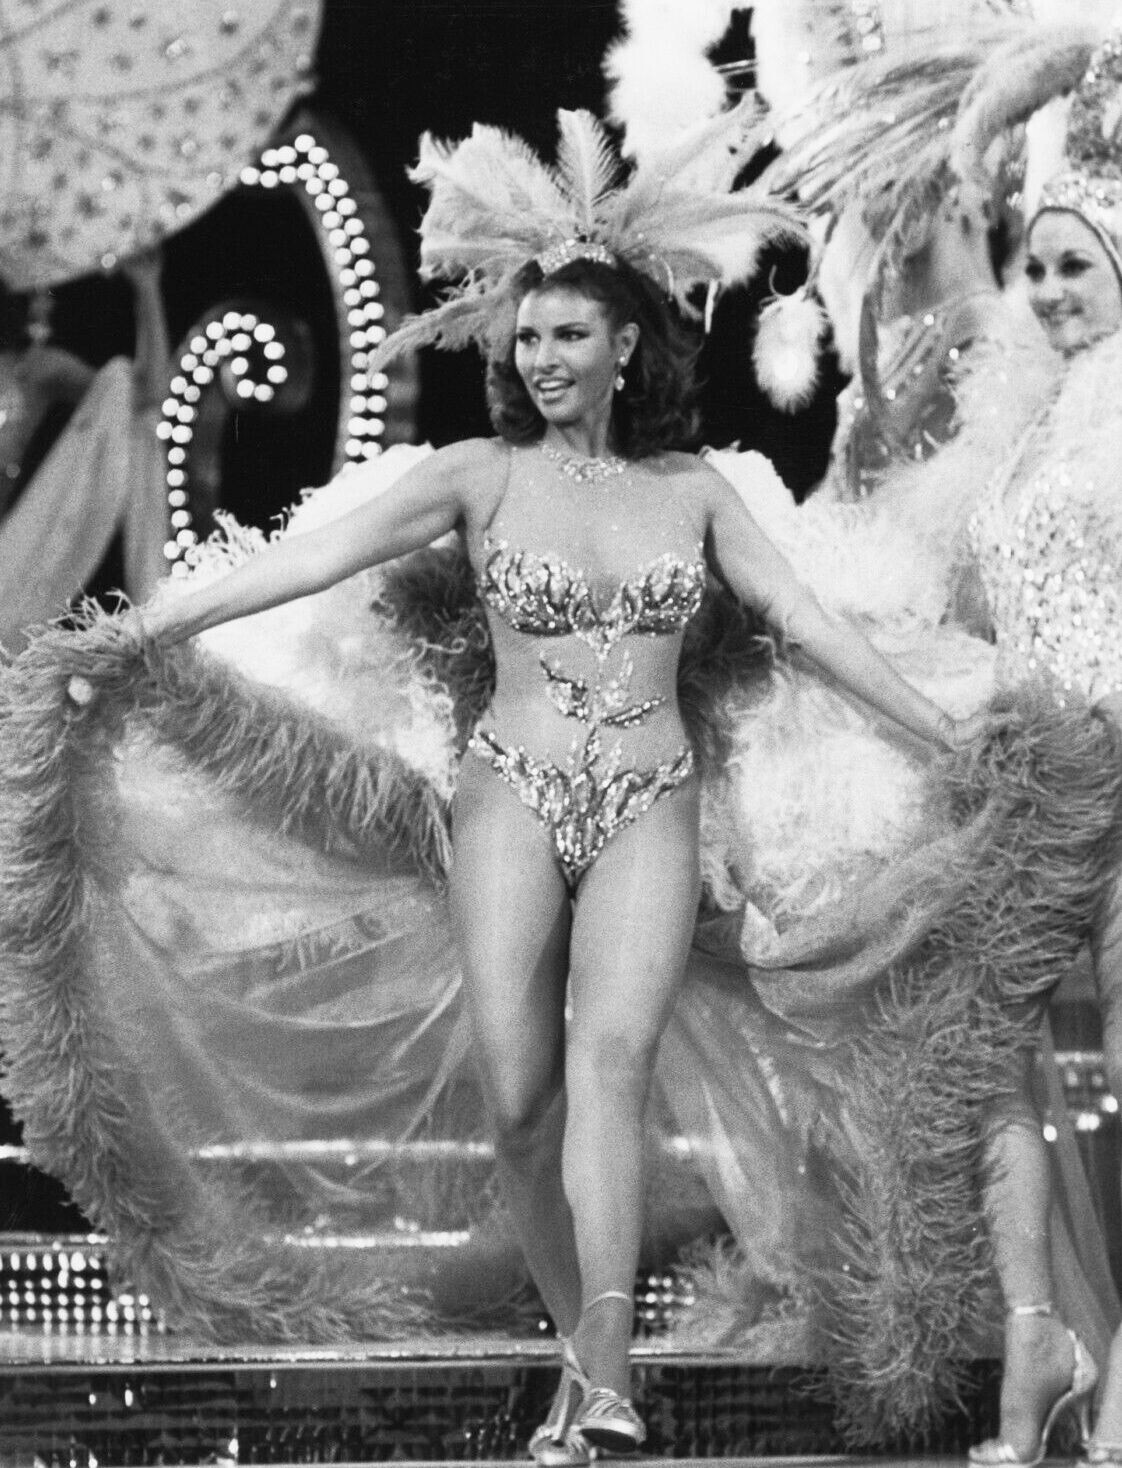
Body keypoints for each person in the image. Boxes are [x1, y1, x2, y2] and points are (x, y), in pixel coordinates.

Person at [127, 107, 985, 1460]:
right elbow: (309, 560)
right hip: (511, 799)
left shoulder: (695, 490)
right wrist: (149, 627)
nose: (539, 357)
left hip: (650, 798)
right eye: (525, 337)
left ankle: (609, 1379)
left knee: (610, 1063)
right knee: (522, 1107)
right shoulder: (479, 475)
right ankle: (580, 1357)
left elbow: (812, 626)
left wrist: (942, 735)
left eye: (567, 334)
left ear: (626, 345)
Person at [0, 248, 170, 647]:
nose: (45, 304)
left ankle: (156, 619)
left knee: (119, 380)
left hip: (12, 555)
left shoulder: (34, 368)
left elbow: (145, 394)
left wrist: (147, 289)